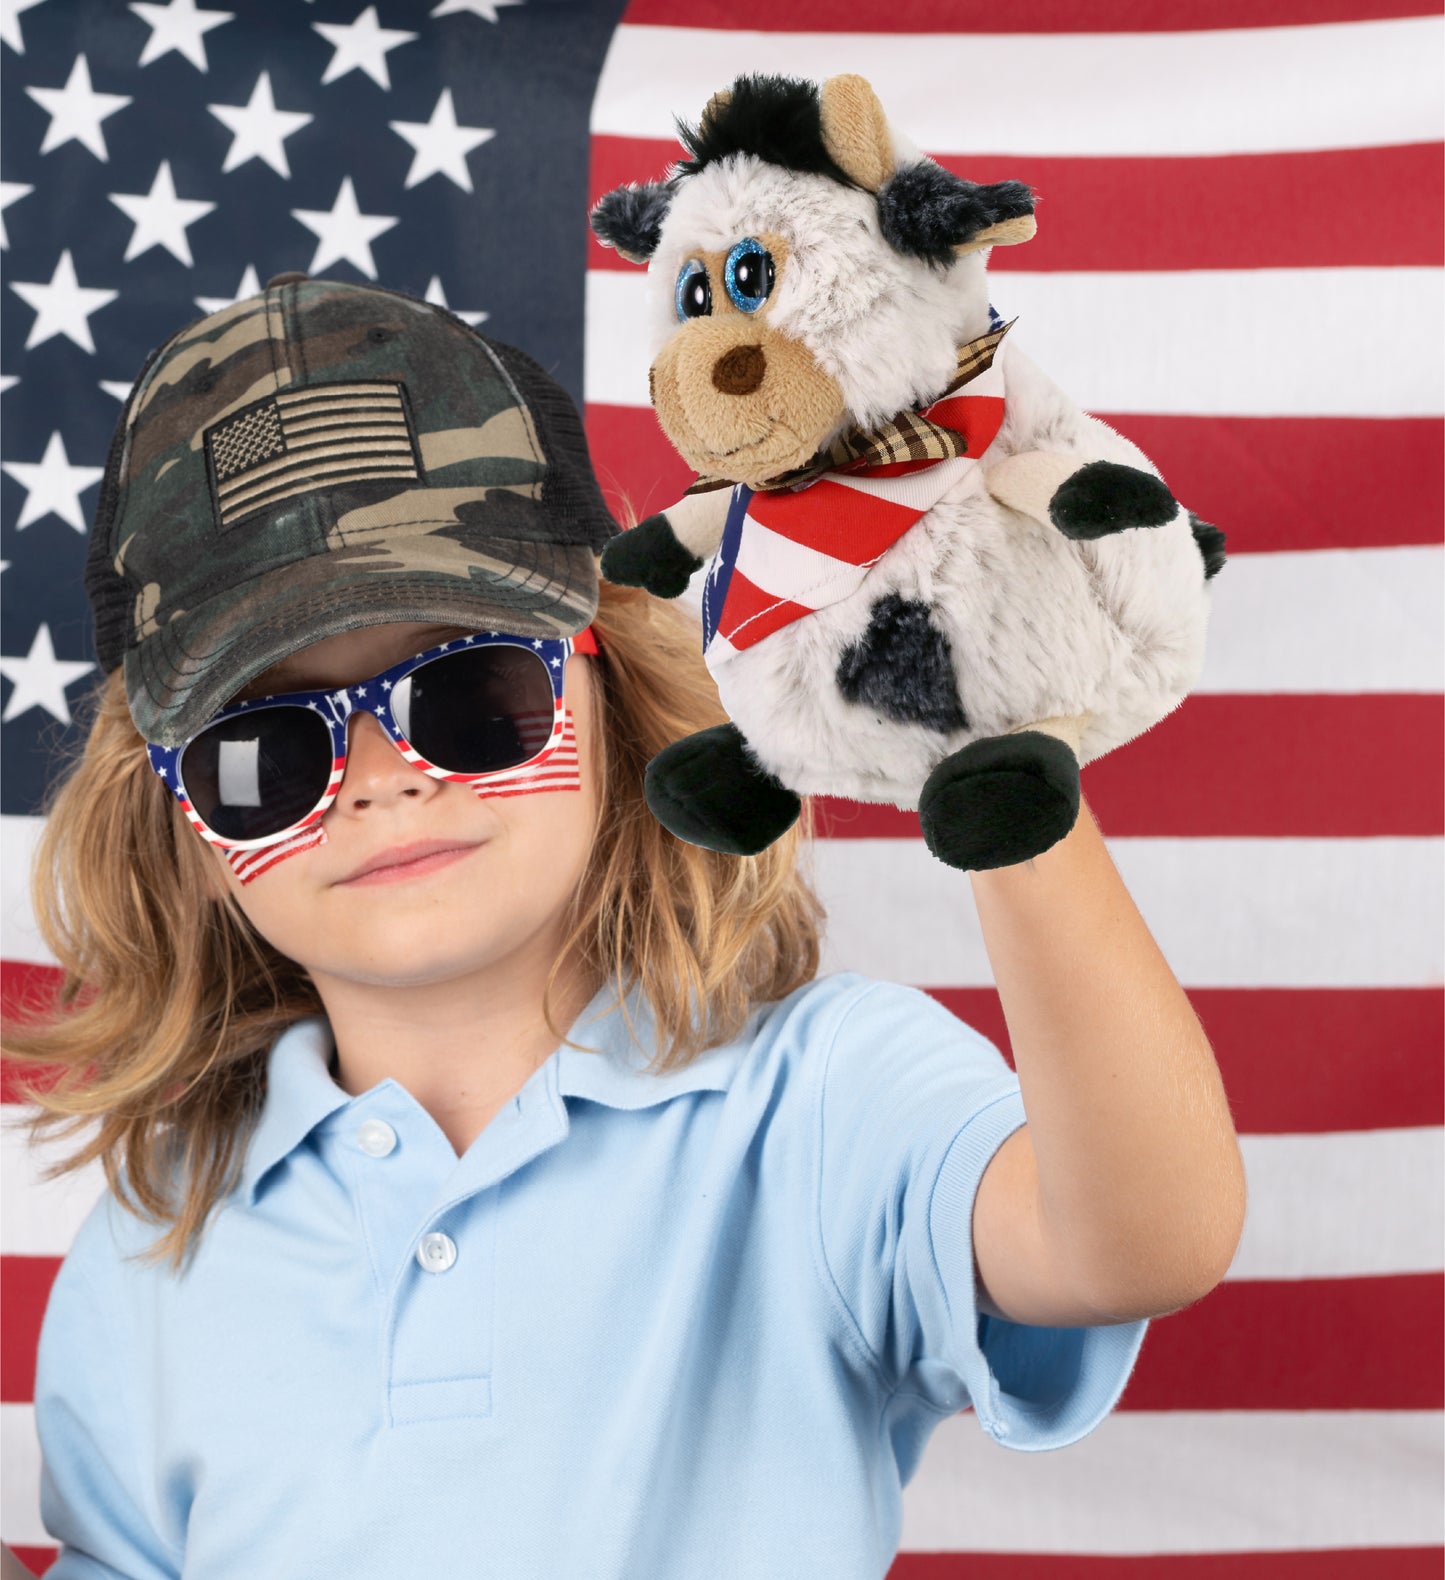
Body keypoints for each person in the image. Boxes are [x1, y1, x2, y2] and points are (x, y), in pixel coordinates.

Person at [6, 275, 1247, 1580]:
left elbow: (1140, 1243)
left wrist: (1000, 770)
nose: (379, 779)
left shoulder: (820, 1105)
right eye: (262, 752)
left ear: (619, 687)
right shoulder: (155, 1237)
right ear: (184, 829)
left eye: (470, 692)